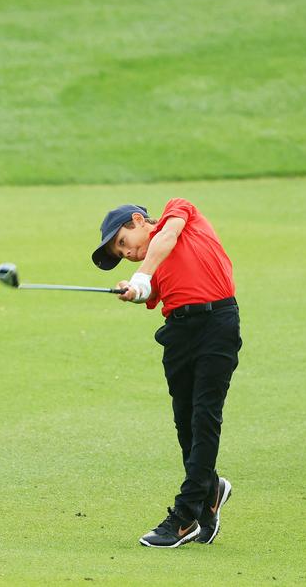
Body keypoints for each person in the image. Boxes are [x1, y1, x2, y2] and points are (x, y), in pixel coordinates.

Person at [92, 199, 241, 547]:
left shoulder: (179, 212)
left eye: (122, 243)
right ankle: (211, 488)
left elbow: (166, 239)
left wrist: (142, 274)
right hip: (178, 332)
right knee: (185, 421)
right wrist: (134, 290)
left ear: (137, 220)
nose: (126, 253)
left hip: (217, 323)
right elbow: (154, 290)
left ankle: (186, 516)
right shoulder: (150, 264)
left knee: (205, 416)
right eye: (119, 252)